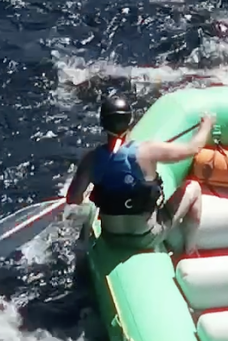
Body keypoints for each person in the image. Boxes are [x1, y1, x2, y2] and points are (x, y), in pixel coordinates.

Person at [64, 90, 214, 241]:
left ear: (103, 123)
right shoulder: (149, 151)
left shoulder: (90, 159)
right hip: (147, 235)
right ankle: (190, 246)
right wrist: (206, 126)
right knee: (193, 187)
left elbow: (73, 198)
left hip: (111, 235)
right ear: (130, 121)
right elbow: (193, 149)